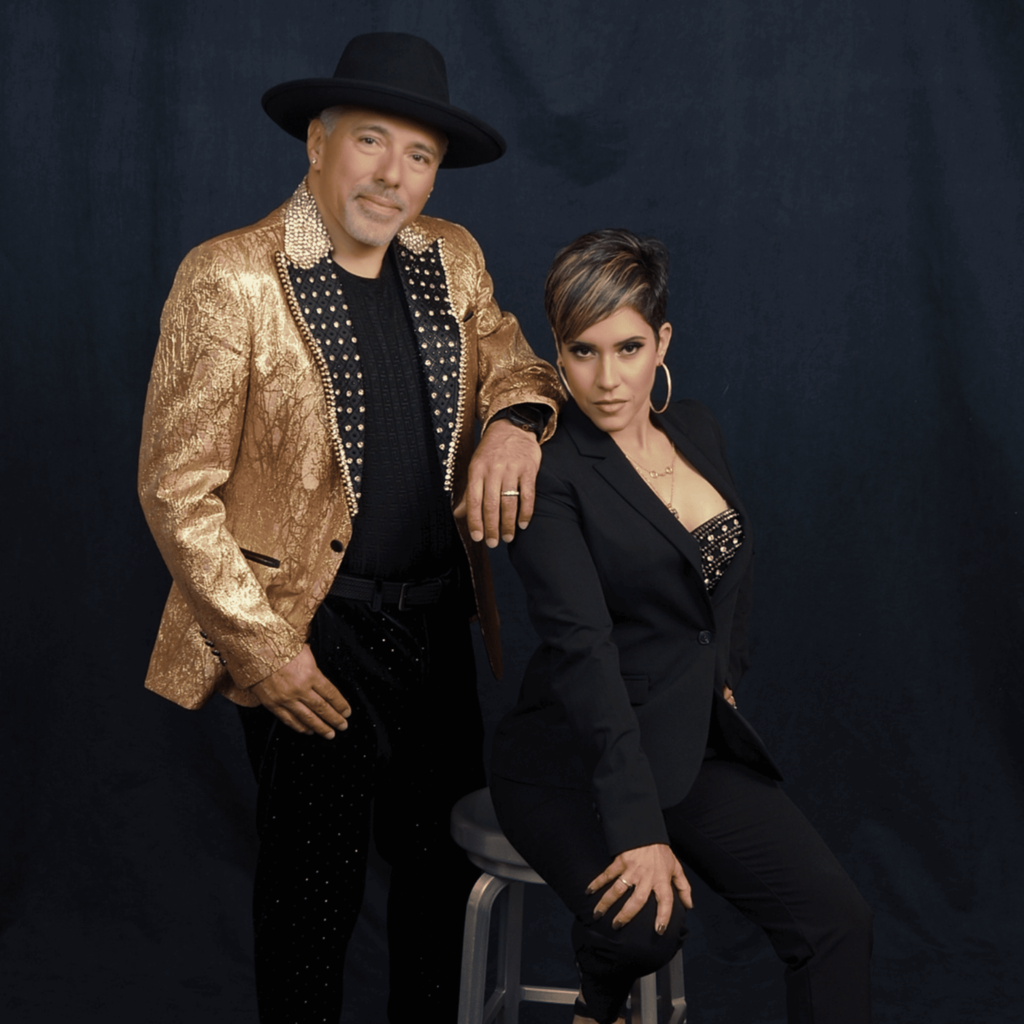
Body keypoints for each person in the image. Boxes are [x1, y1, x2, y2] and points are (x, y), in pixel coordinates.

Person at [138, 32, 561, 1023]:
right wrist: (264, 649)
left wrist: (513, 423)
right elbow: (175, 490)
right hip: (309, 629)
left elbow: (516, 362)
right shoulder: (230, 278)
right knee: (312, 893)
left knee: (442, 881)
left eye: (419, 156)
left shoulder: (451, 257)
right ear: (318, 143)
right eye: (372, 141)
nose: (393, 176)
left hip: (438, 622)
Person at [490, 229, 873, 1024]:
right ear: (557, 350)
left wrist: (722, 676)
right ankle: (599, 1004)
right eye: (583, 351)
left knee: (837, 923)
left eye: (628, 348)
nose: (607, 379)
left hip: (687, 738)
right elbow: (584, 653)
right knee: (645, 928)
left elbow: (728, 578)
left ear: (662, 342)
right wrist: (637, 830)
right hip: (571, 755)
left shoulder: (696, 430)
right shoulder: (549, 471)